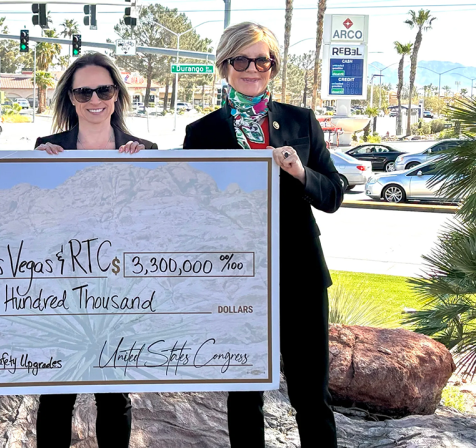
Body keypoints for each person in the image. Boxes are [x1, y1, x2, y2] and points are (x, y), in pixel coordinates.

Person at [183, 22, 342, 448]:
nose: (252, 69)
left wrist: (300, 171)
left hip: (300, 275)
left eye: (262, 60)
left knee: (311, 396)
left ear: (273, 66)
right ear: (225, 65)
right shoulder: (202, 133)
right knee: (244, 395)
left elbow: (333, 194)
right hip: (236, 279)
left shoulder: (301, 121)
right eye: (241, 60)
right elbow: (189, 208)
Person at [33, 52, 156, 447]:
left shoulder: (145, 151)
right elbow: (32, 220)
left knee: (114, 396)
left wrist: (143, 175)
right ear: (71, 99)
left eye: (103, 90)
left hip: (118, 291)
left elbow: (155, 225)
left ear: (117, 94)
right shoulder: (47, 148)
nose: (94, 99)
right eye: (83, 92)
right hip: (62, 292)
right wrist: (32, 169)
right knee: (56, 396)